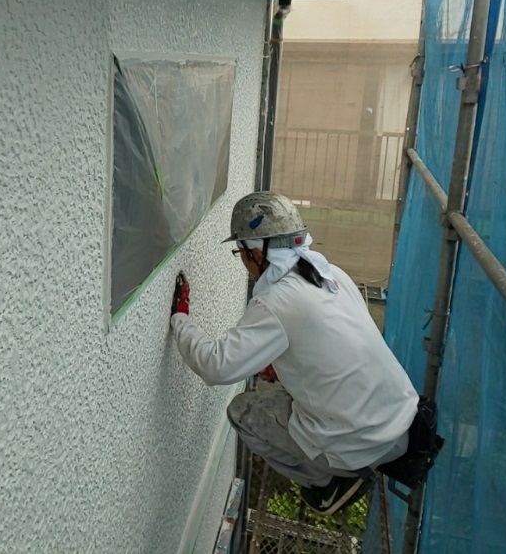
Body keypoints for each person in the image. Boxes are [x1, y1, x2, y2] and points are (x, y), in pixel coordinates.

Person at [169, 191, 419, 516]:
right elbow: (328, 347)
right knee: (287, 392)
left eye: (241, 253)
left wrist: (181, 319)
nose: (243, 263)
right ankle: (340, 468)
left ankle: (331, 481)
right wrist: (282, 365)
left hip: (363, 444)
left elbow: (216, 367)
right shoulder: (333, 275)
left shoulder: (277, 301)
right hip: (401, 423)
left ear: (257, 252)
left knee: (243, 411)